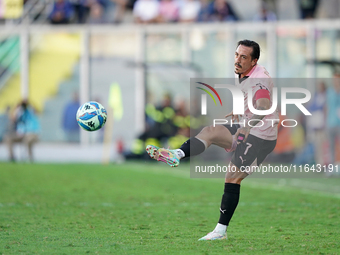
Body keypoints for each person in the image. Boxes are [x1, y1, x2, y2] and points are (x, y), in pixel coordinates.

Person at [146, 40, 279, 240]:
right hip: (250, 126)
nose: (238, 60)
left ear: (254, 61)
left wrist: (247, 124)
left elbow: (263, 103)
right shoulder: (246, 73)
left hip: (261, 135)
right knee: (210, 131)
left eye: (244, 57)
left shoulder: (257, 79)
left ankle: (220, 232)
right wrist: (242, 111)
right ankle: (177, 154)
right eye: (236, 55)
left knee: (232, 177)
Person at [325, 73, 340, 165]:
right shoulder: (330, 92)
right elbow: (327, 107)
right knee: (330, 146)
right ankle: (331, 166)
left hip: (339, 123)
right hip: (330, 123)